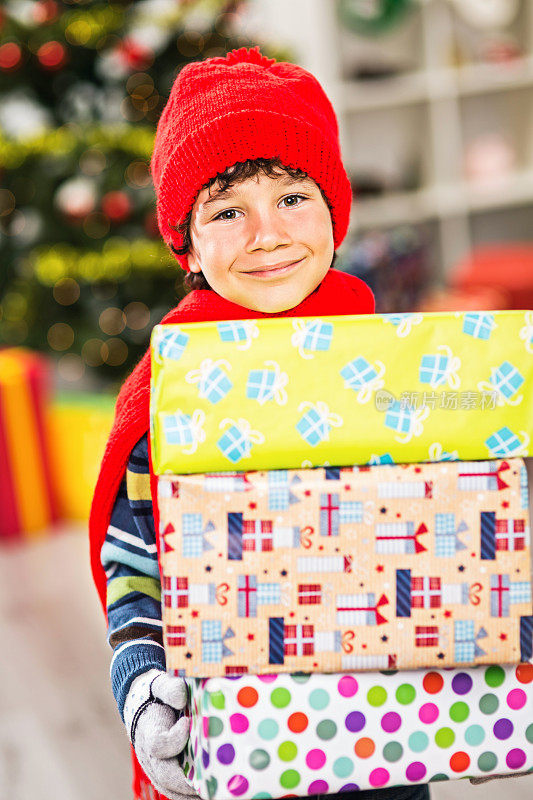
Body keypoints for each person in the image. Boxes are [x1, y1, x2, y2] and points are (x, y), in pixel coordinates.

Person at [89, 46, 430, 800]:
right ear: (188, 242)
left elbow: (461, 516)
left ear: (334, 208)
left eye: (292, 197)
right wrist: (144, 690)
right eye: (227, 210)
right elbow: (136, 570)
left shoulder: (399, 362)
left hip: (388, 726)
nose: (267, 234)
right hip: (233, 735)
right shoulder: (169, 392)